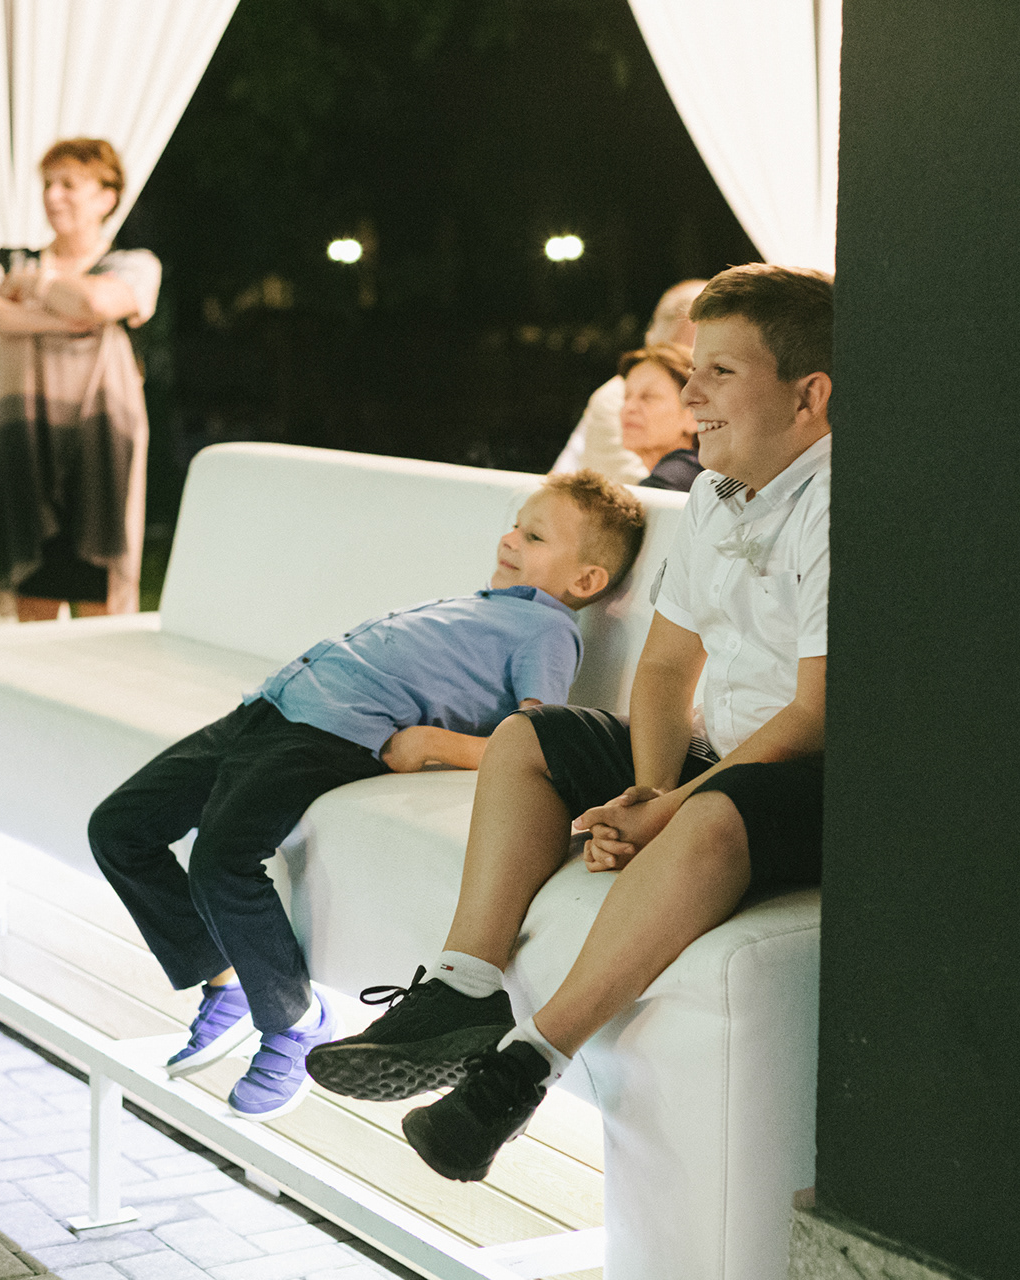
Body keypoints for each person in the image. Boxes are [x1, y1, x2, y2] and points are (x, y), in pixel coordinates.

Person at [308, 264, 833, 1183]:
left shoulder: (843, 506)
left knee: (716, 814)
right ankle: (464, 988)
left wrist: (672, 812)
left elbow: (816, 715)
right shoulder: (716, 494)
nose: (692, 395)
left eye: (720, 373)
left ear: (808, 396)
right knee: (529, 738)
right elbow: (665, 668)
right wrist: (648, 790)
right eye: (693, 370)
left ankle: (522, 1069)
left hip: (818, 775)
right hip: (720, 758)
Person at [86, 472, 648, 1121]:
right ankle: (226, 979)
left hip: (332, 733)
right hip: (267, 710)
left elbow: (537, 739)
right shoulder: (488, 605)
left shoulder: (545, 631)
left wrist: (433, 743)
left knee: (223, 859)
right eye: (516, 525)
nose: (510, 539)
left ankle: (293, 1021)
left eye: (535, 536)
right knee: (119, 828)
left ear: (585, 580)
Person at [0, 138, 161, 621]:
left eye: (69, 184)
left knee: (100, 592)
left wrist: (36, 287)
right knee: (33, 587)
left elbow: (99, 302)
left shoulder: (132, 264)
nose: (53, 196)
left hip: (102, 439)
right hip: (24, 435)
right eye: (48, 184)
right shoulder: (11, 258)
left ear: (106, 197)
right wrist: (62, 318)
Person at [551, 279, 707, 482]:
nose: (628, 408)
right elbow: (628, 487)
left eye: (648, 397)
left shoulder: (684, 475)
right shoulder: (612, 397)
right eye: (702, 337)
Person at [615, 343, 704, 492]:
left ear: (693, 415)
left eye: (648, 397)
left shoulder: (670, 480)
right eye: (627, 396)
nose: (629, 408)